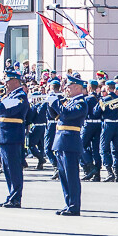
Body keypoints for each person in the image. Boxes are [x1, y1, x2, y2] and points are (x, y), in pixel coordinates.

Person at [48, 74, 88, 215]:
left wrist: (55, 103)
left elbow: (66, 114)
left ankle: (74, 205)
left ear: (77, 87)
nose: (66, 88)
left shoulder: (81, 103)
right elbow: (55, 116)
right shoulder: (68, 101)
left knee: (71, 176)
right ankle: (68, 203)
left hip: (70, 141)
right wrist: (51, 103)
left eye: (69, 86)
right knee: (63, 175)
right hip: (61, 140)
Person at [0, 70, 28, 202]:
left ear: (15, 81)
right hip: (3, 136)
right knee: (7, 168)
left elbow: (8, 111)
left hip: (12, 136)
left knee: (14, 169)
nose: (5, 84)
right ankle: (11, 194)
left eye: (7, 81)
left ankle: (16, 197)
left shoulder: (20, 96)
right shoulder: (7, 96)